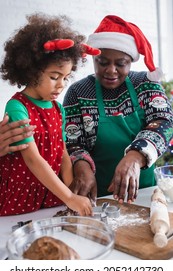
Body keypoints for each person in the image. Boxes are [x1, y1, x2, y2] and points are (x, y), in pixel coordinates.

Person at [63, 15, 173, 203]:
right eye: (103, 62)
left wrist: (135, 157)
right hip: (96, 195)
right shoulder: (78, 92)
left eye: (120, 64)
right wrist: (81, 165)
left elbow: (165, 122)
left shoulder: (145, 84)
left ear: (130, 60)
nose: (111, 70)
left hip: (144, 193)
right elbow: (72, 142)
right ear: (93, 59)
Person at [0, 13, 98, 216]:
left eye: (66, 77)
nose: (61, 84)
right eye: (55, 77)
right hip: (20, 198)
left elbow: (62, 154)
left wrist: (72, 192)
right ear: (31, 71)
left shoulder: (57, 108)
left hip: (51, 194)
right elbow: (33, 159)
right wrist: (70, 198)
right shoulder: (18, 107)